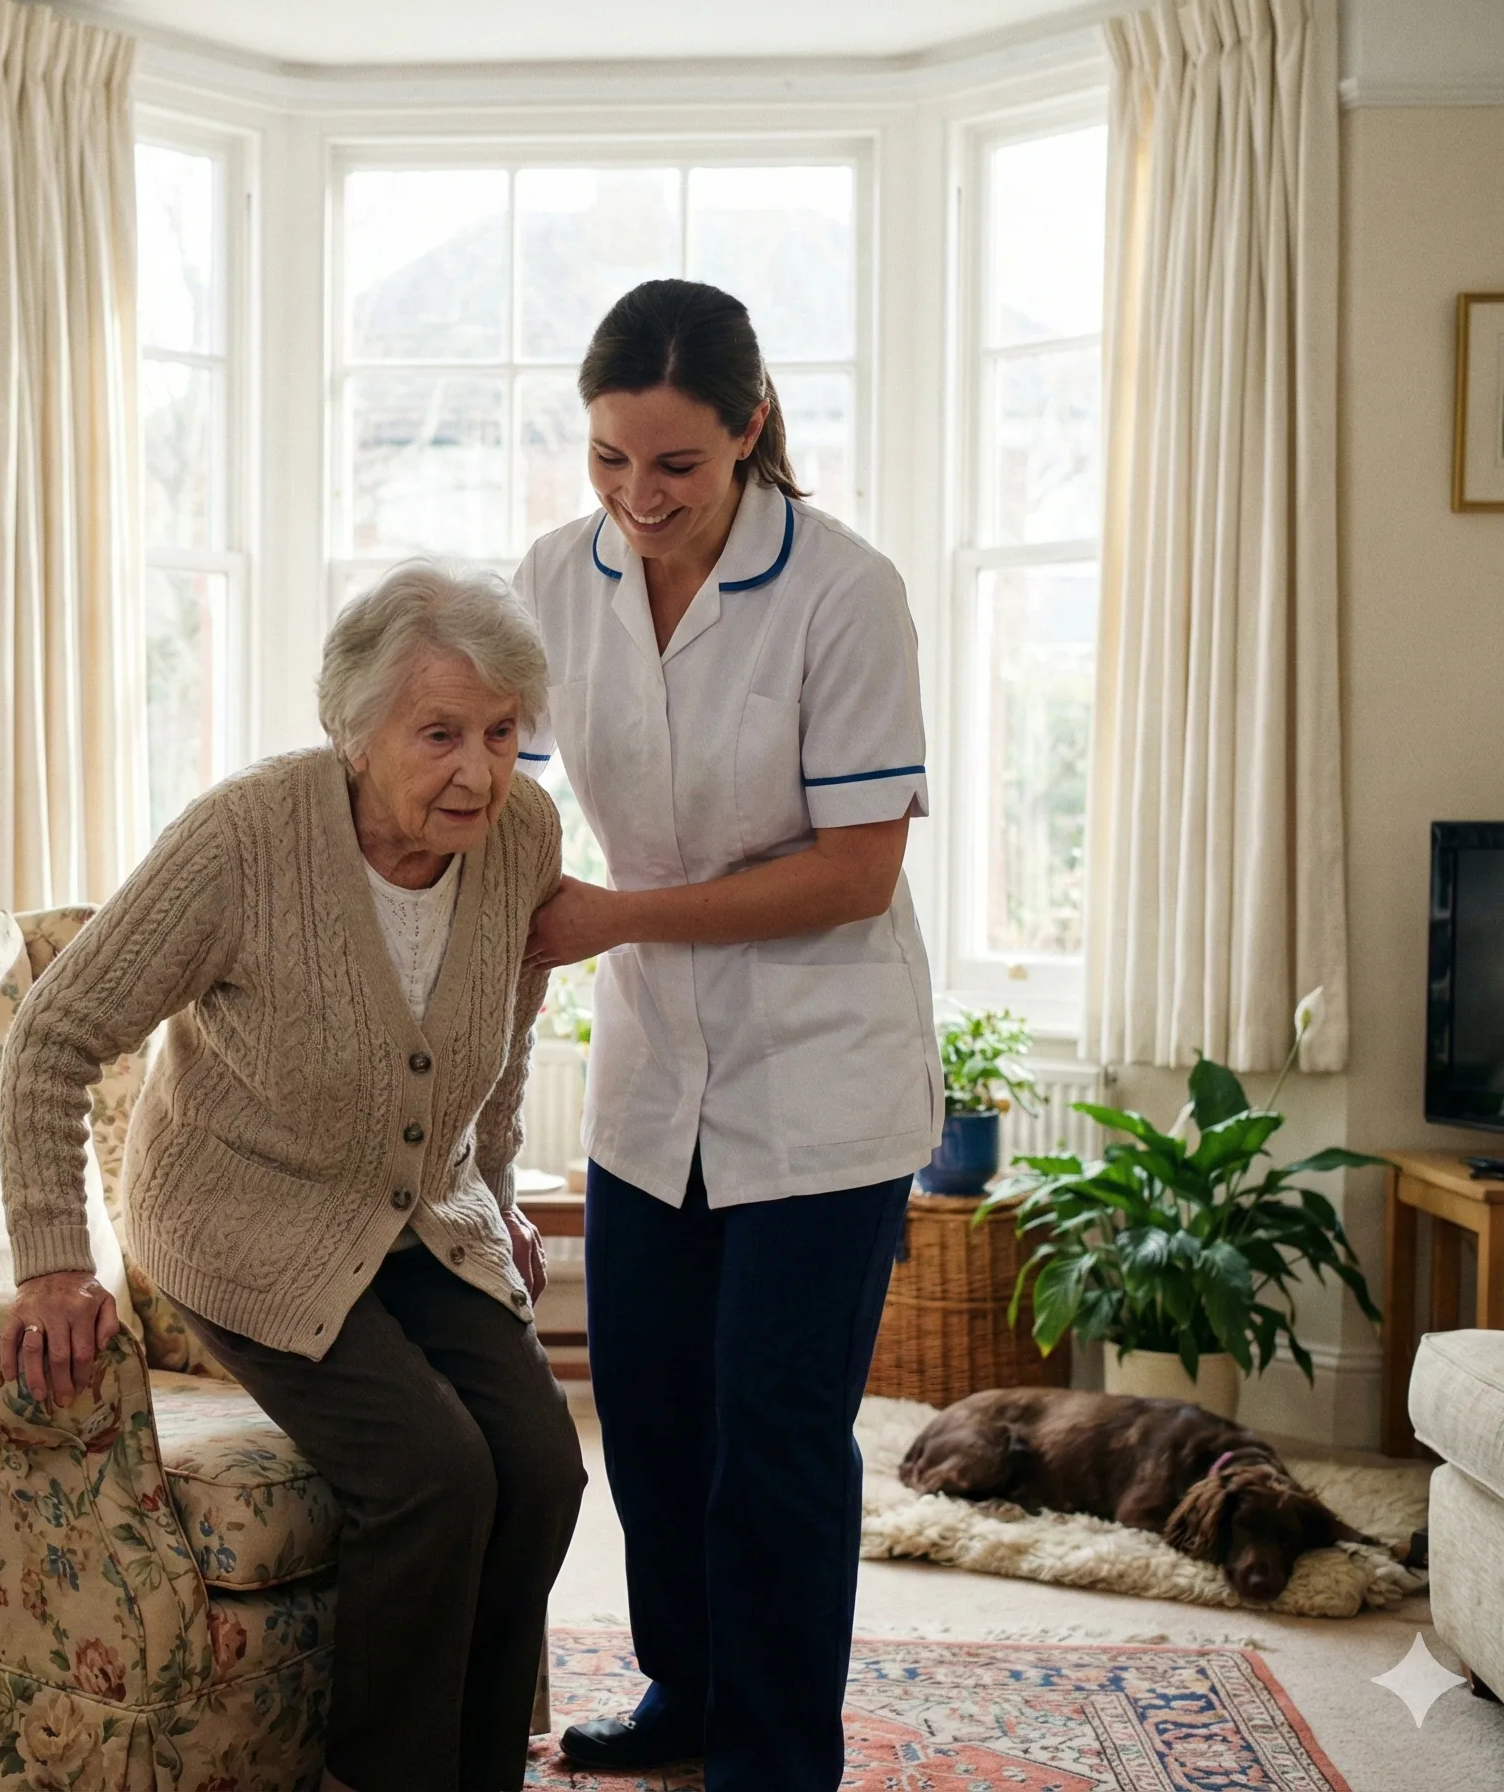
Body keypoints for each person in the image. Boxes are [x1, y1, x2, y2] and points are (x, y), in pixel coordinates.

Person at [0, 564, 585, 1792]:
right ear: (354, 731)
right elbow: (52, 1037)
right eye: (439, 734)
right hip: (240, 1215)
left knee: (542, 1467)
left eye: (500, 731)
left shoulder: (524, 834)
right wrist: (53, 1258)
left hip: (421, 1213)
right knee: (434, 1472)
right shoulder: (243, 839)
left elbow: (503, 1040)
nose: (478, 769)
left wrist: (498, 1188)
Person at [515, 278, 940, 1792]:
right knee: (652, 1417)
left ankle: (772, 1754)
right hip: (653, 1087)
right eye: (609, 459)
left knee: (773, 1433)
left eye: (676, 465)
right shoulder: (557, 580)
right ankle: (689, 1695)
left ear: (751, 431)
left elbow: (856, 870)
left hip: (819, 1081)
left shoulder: (843, 588)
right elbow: (507, 780)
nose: (638, 498)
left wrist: (615, 918)